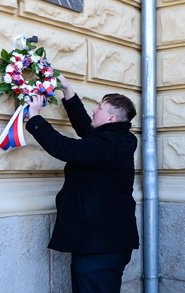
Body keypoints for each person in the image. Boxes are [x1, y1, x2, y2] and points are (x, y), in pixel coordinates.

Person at [25, 76, 139, 293]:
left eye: (100, 108)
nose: (95, 111)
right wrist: (67, 90)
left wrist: (35, 118)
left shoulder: (109, 144)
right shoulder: (112, 139)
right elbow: (86, 129)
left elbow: (65, 149)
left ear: (112, 118)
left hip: (102, 246)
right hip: (101, 243)